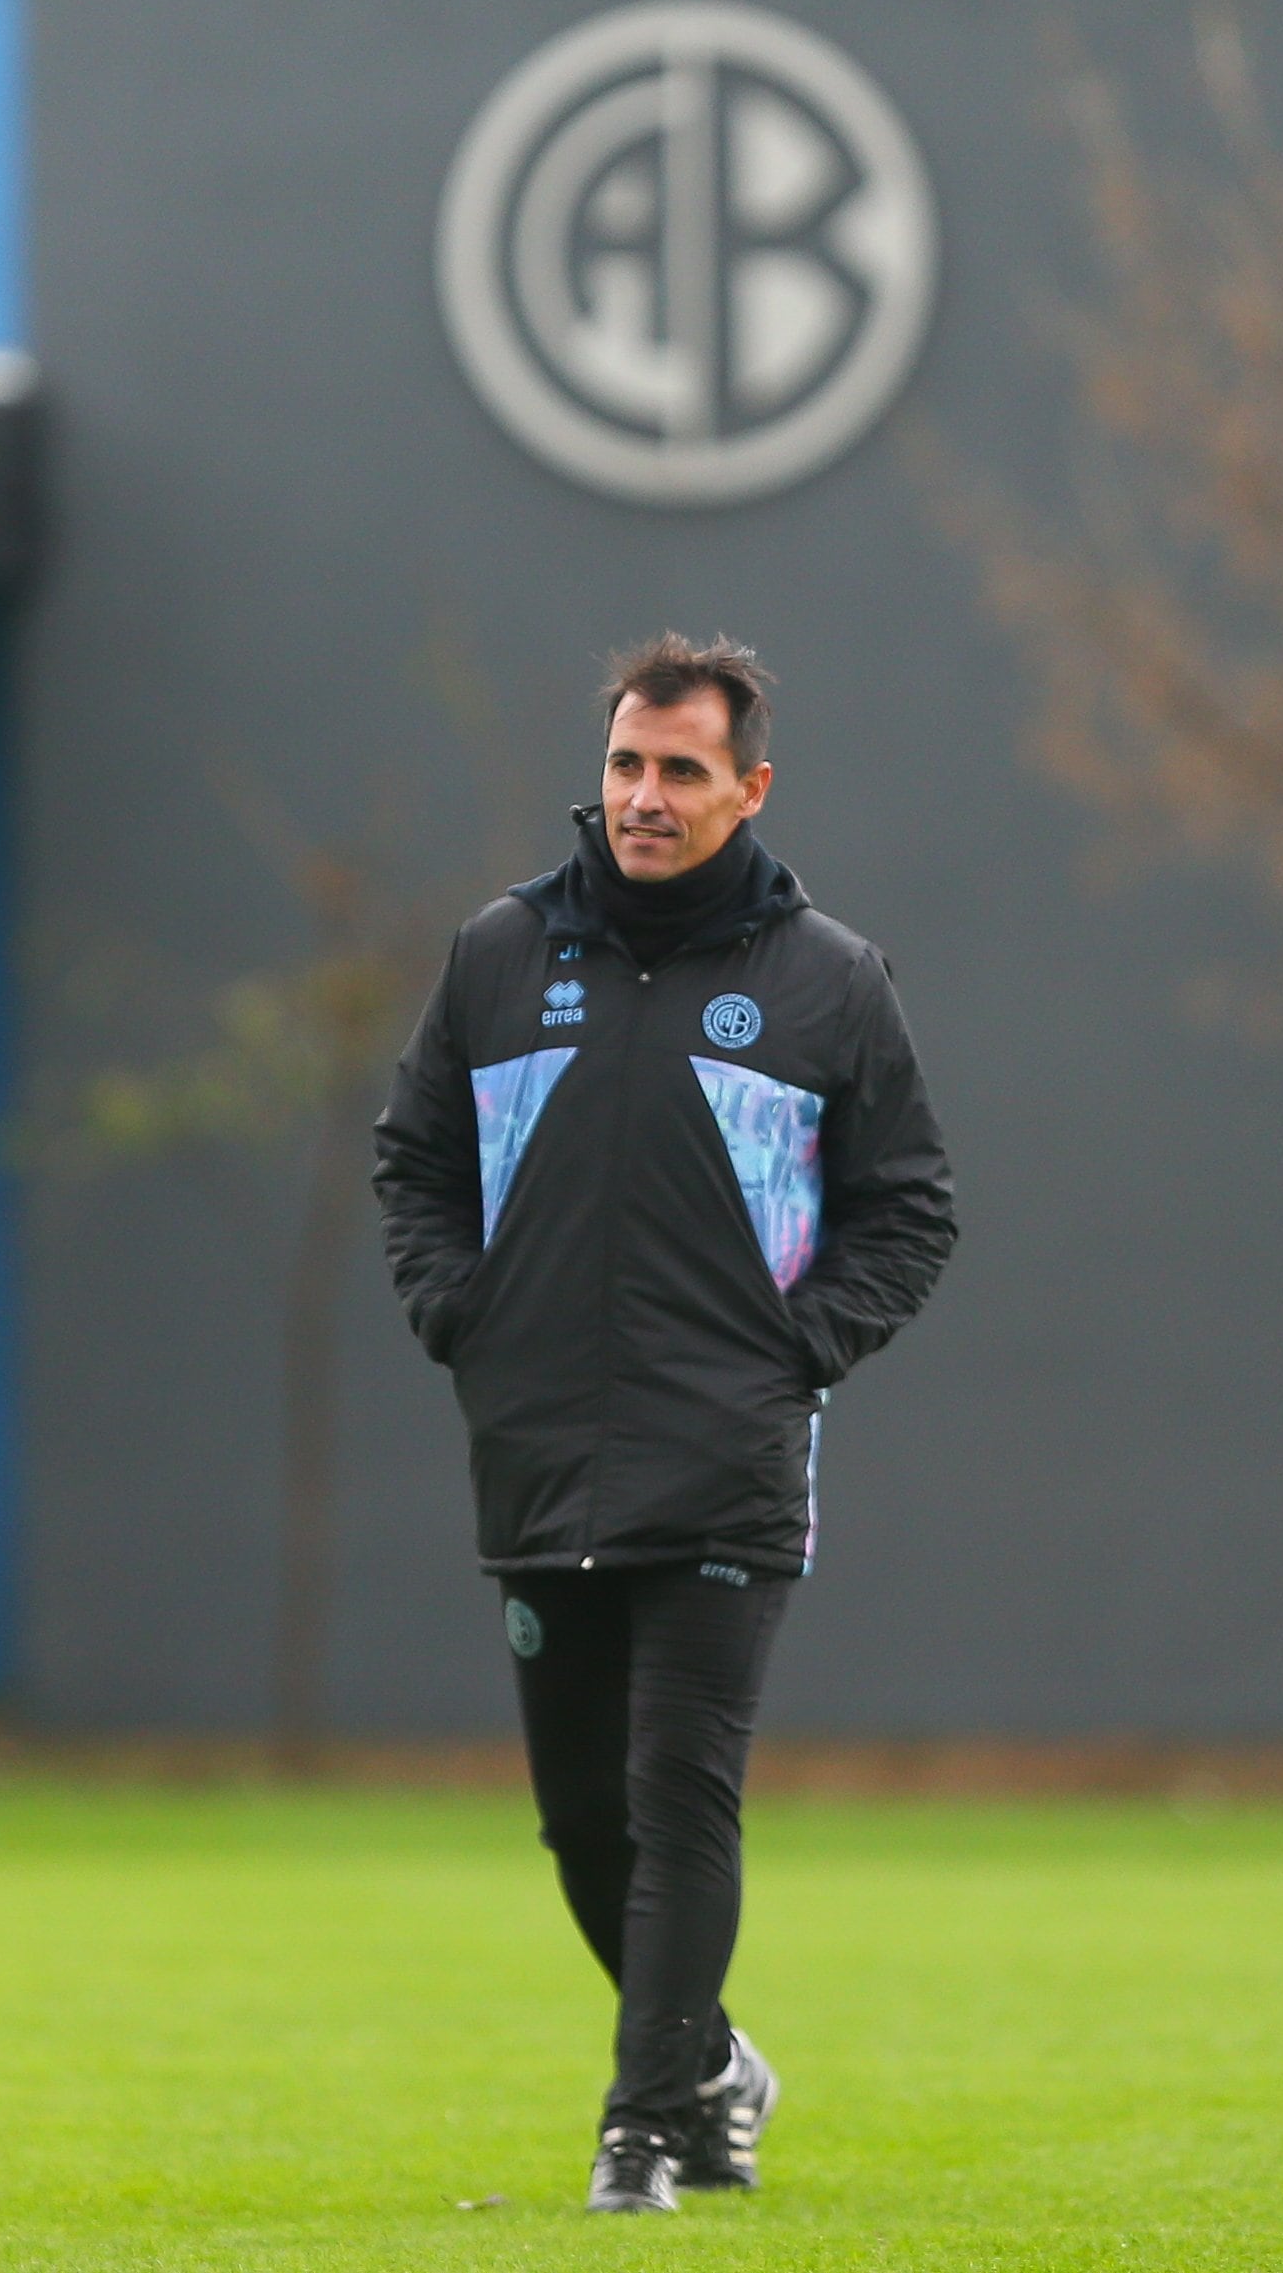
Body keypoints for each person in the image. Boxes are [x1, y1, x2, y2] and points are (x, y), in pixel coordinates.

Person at [372, 632, 958, 2214]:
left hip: (727, 1466)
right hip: (539, 1449)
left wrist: (794, 1354)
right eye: (627, 764)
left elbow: (906, 1213)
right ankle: (711, 2064)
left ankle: (641, 2132)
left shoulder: (828, 978)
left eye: (680, 771)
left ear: (747, 789)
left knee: (679, 1792)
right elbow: (414, 1163)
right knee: (581, 1825)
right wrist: (462, 1317)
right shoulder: (499, 956)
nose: (642, 796)